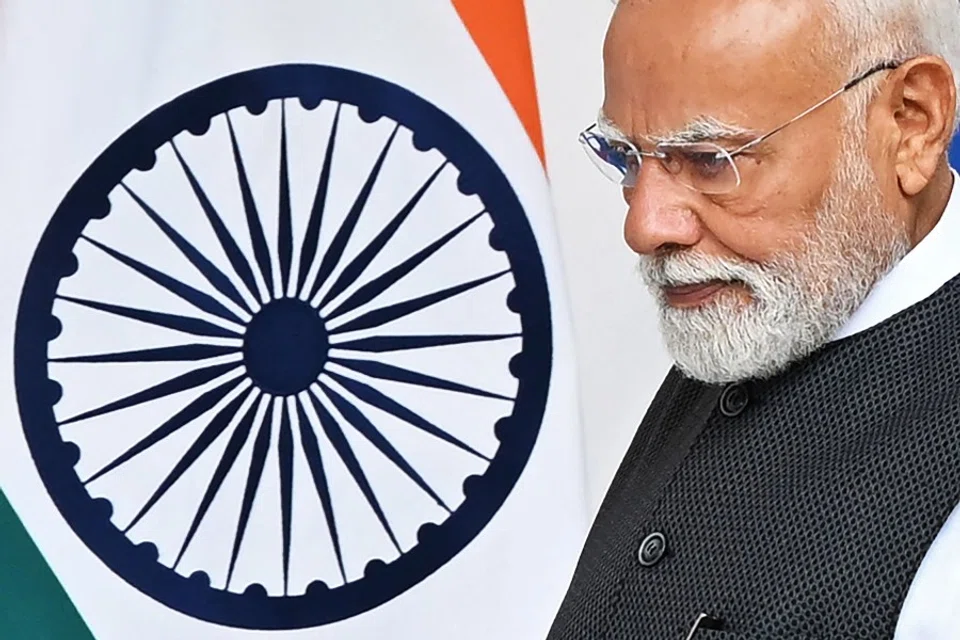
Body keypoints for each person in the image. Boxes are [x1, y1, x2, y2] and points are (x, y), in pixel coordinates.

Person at [547, 0, 960, 638]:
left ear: (913, 123)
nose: (645, 224)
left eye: (712, 160)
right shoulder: (770, 302)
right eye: (626, 156)